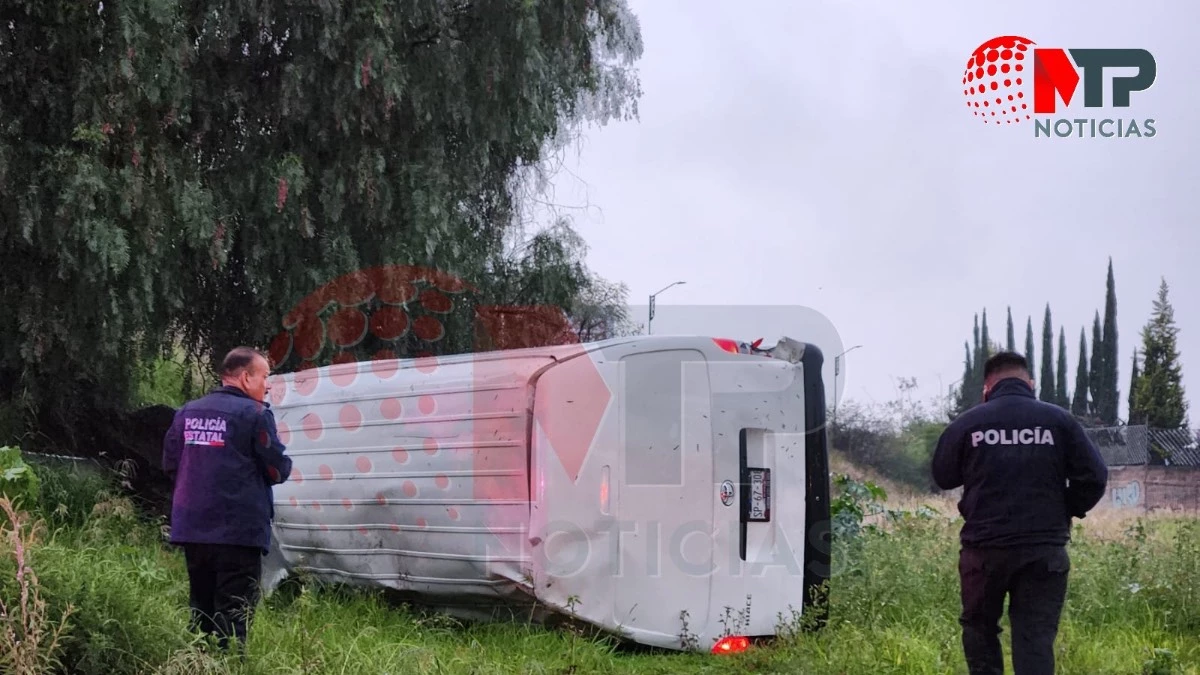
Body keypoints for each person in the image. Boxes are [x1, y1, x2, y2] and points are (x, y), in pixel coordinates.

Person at [932, 351, 1108, 675]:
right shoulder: (1060, 421)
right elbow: (1095, 477)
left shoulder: (967, 423)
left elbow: (943, 476)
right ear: (1031, 384)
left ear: (987, 388)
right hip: (1043, 551)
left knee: (980, 630)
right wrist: (1066, 508)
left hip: (984, 553)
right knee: (1035, 639)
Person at [162, 346, 293, 652]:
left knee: (201, 609)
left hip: (193, 530)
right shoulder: (256, 415)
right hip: (238, 534)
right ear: (246, 377)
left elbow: (170, 464)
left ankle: (195, 664)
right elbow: (276, 469)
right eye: (264, 376)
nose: (268, 384)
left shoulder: (188, 411)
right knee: (234, 613)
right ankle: (228, 665)